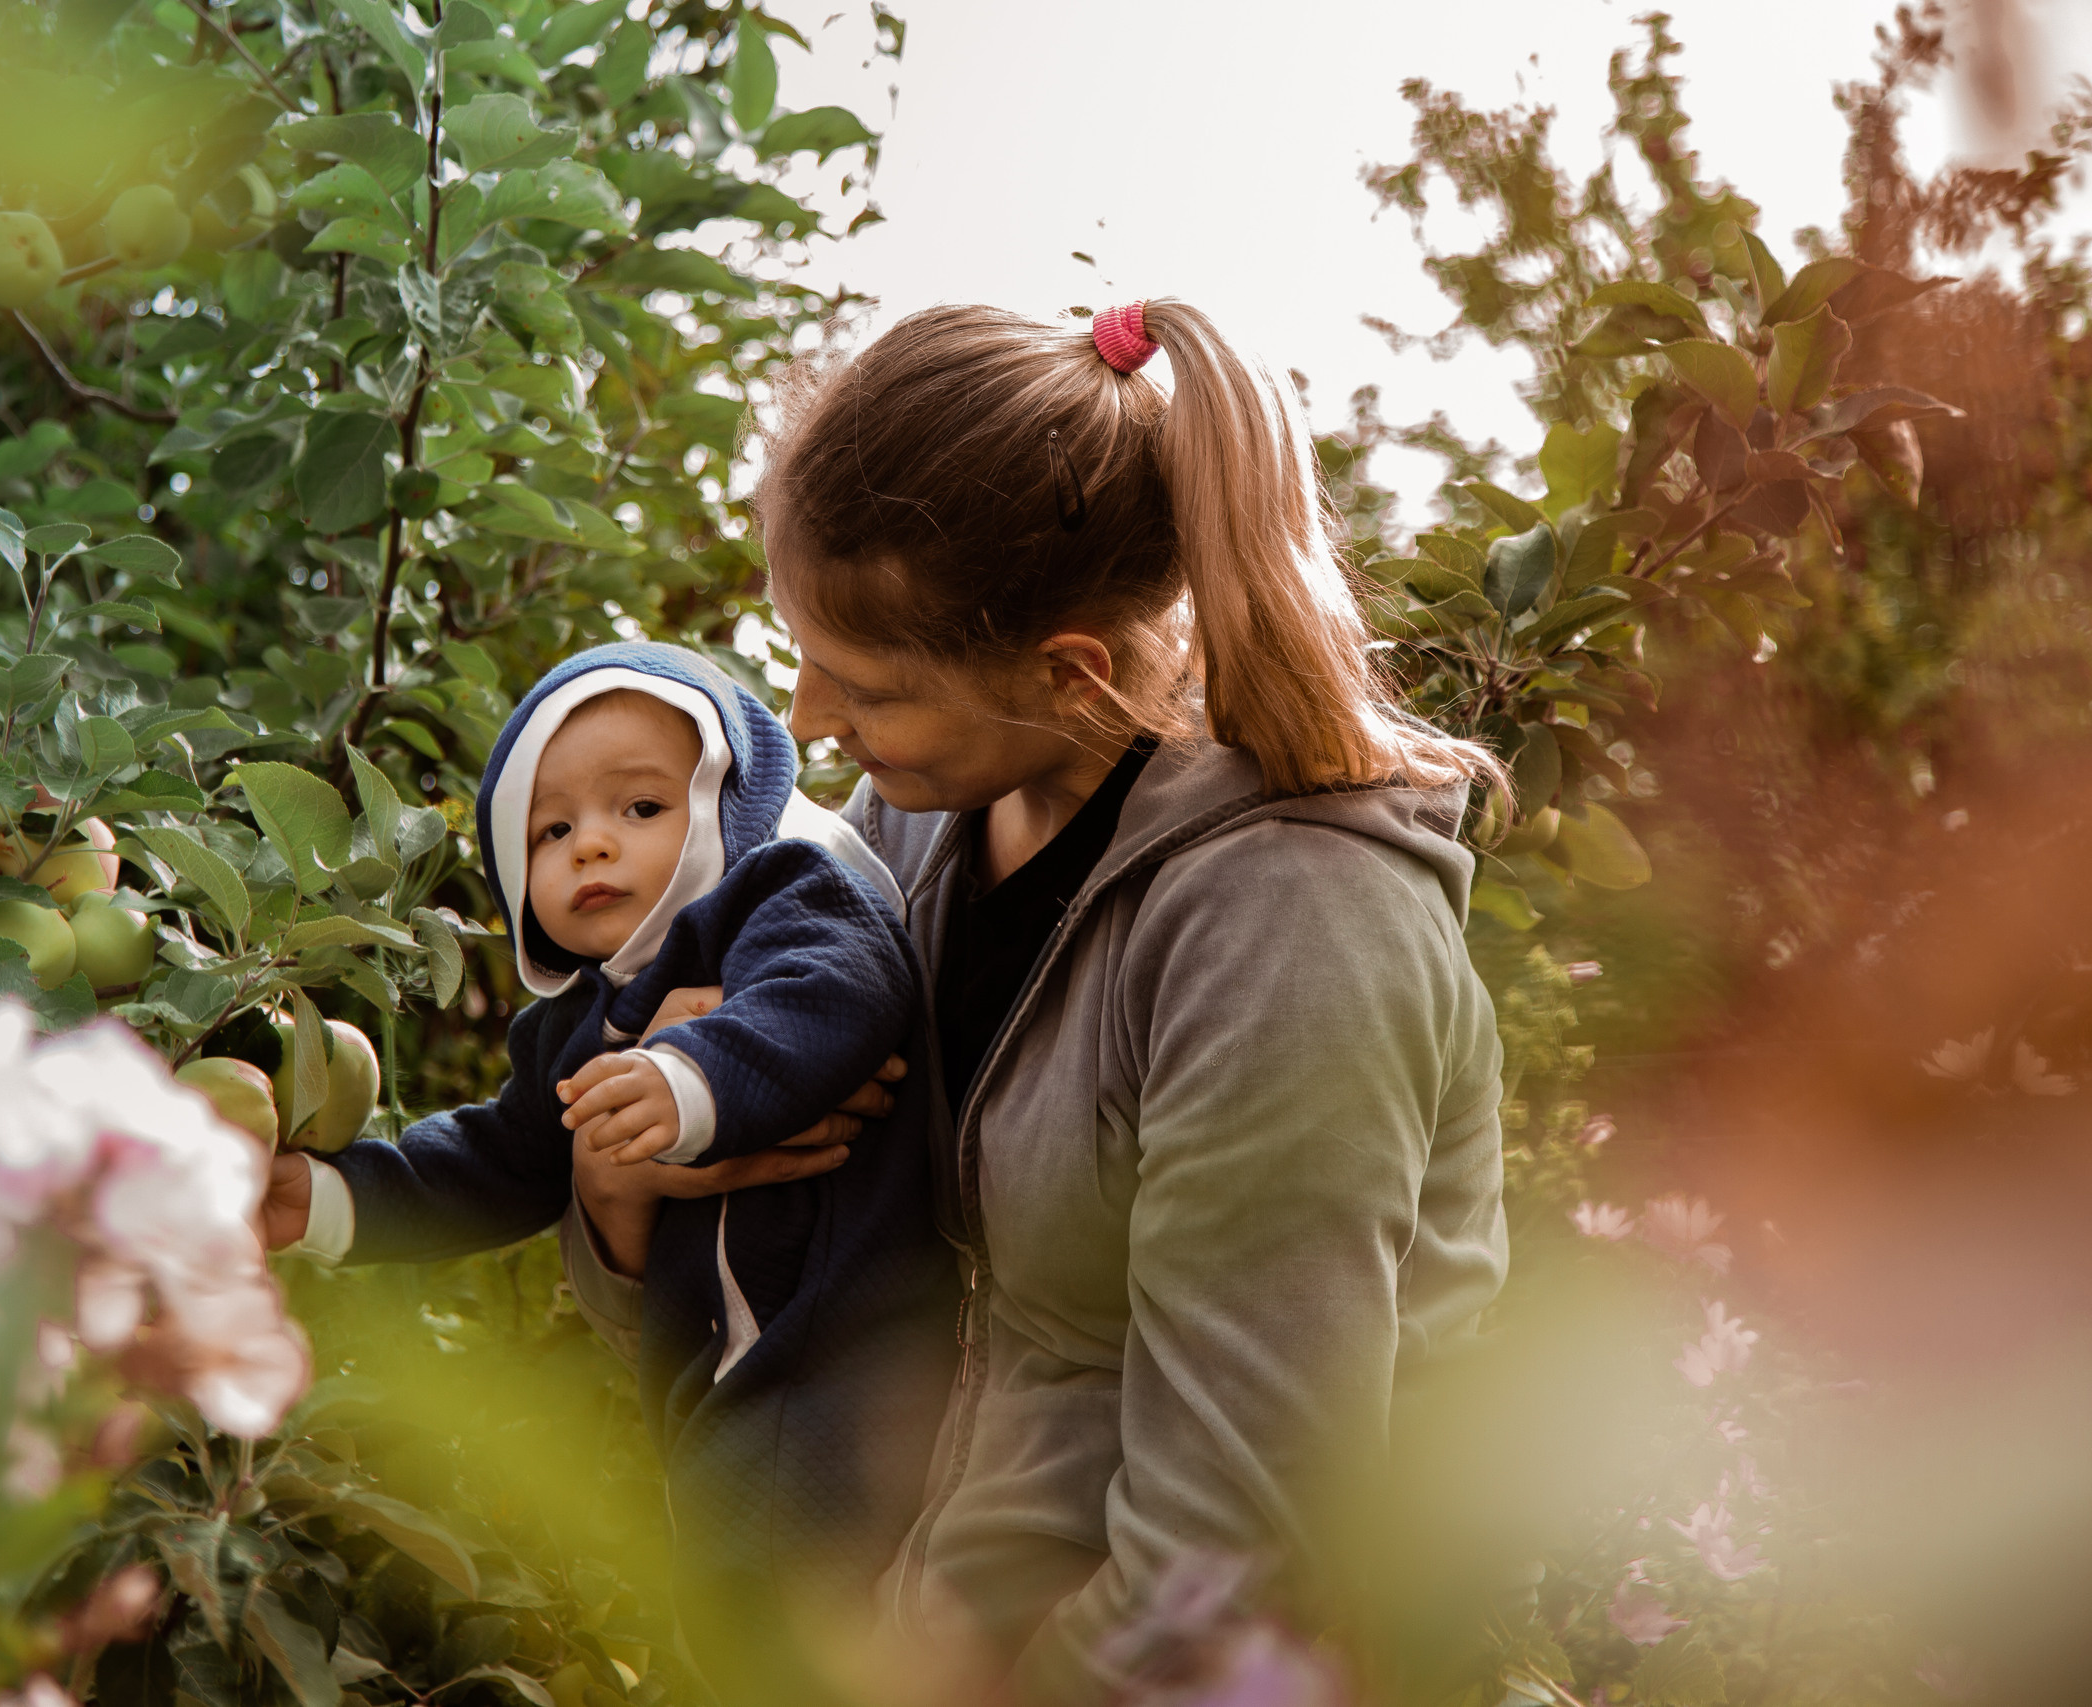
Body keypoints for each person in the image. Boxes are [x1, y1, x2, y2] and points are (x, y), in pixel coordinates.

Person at [558, 301, 1513, 1705]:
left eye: (870, 685)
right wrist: (628, 1198)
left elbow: (1246, 1536)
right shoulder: (905, 834)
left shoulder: (1288, 925)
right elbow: (747, 1299)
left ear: (1068, 672)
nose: (810, 718)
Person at [257, 642, 959, 1694]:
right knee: (728, 1599)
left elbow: (840, 989)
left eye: (638, 809)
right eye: (551, 828)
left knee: (794, 1605)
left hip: (846, 1342)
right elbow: (492, 1163)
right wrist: (325, 1196)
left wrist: (688, 1079)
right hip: (720, 1380)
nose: (591, 844)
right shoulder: (571, 1031)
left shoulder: (786, 888)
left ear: (726, 800)